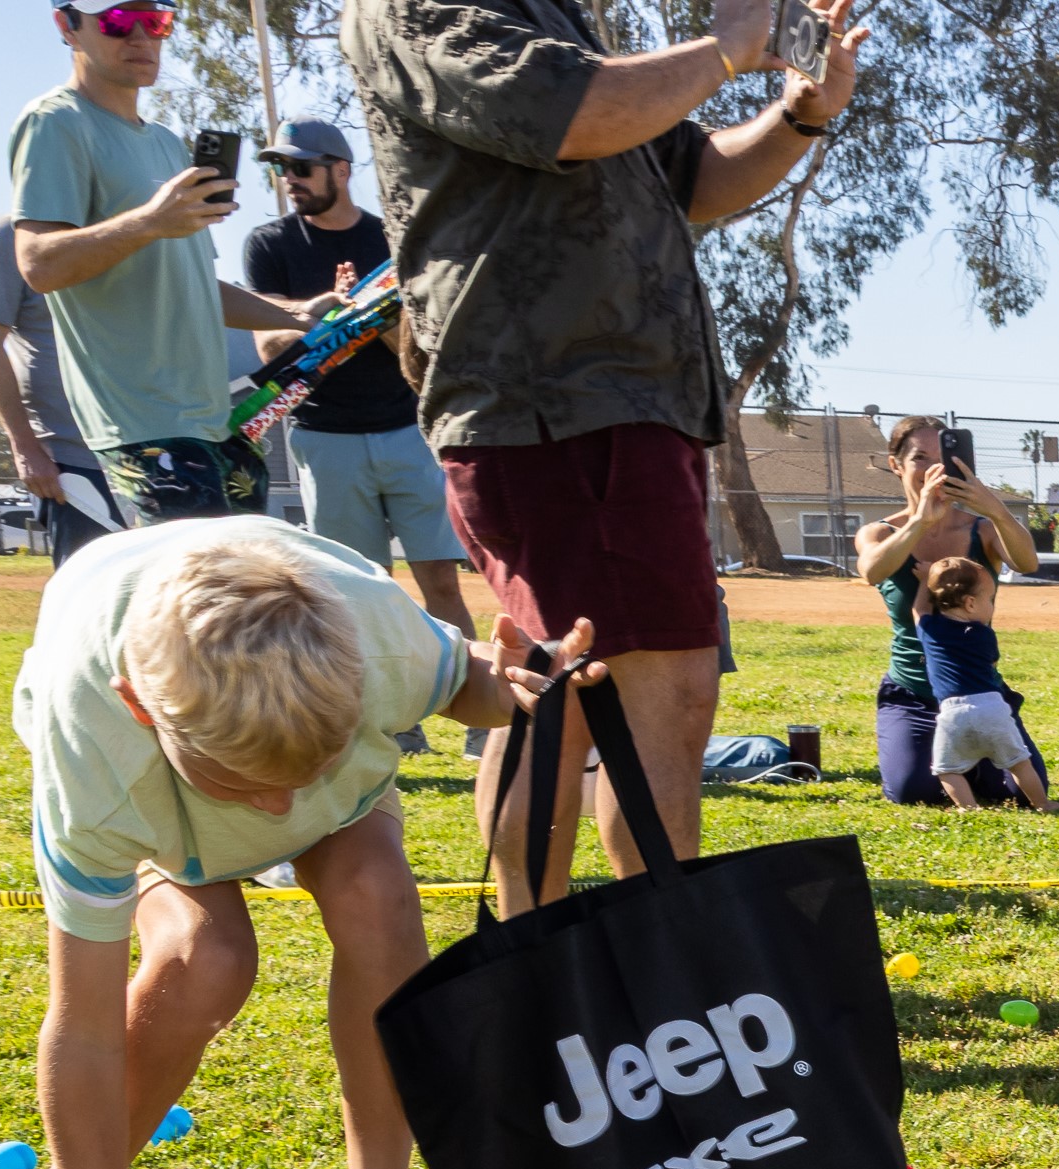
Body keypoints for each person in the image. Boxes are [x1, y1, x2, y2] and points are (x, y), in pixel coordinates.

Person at [0, 518, 590, 1169]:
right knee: (207, 956)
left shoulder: (380, 638)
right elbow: (80, 1027)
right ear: (137, 704)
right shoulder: (94, 748)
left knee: (379, 901)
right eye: (243, 781)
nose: (273, 815)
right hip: (162, 800)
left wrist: (524, 685)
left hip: (332, 788)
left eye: (297, 773)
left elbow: (473, 690)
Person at [343, 0, 865, 907]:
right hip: (552, 402)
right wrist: (725, 49)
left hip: (623, 404)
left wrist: (800, 113)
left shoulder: (556, 17)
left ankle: (608, 963)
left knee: (618, 691)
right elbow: (578, 114)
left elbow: (693, 178)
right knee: (588, 692)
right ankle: (570, 962)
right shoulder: (421, 5)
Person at [9, 4, 327, 526]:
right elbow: (38, 264)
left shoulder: (165, 144)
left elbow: (199, 286)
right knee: (199, 603)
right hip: (144, 429)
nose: (140, 37)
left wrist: (295, 315)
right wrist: (149, 222)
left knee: (243, 600)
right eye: (115, 21)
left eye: (154, 22)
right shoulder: (53, 123)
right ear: (67, 27)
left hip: (217, 423)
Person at [239, 116, 481, 757]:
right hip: (324, 439)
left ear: (341, 170)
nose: (290, 181)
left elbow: (420, 341)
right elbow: (269, 343)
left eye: (302, 167)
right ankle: (396, 729)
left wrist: (369, 321)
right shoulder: (269, 244)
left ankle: (480, 721)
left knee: (442, 584)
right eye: (281, 169)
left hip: (407, 430)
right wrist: (327, 313)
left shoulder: (390, 237)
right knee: (359, 590)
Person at [854, 415, 1047, 807]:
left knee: (1019, 794)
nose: (934, 471)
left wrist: (996, 509)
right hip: (913, 695)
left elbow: (1027, 563)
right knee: (914, 793)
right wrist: (921, 522)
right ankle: (956, 763)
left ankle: (970, 763)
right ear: (896, 465)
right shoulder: (880, 533)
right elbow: (872, 571)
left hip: (980, 695)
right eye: (921, 458)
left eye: (945, 458)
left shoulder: (984, 530)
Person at [0, 215, 121, 565]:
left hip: (156, 448)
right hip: (71, 461)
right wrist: (25, 447)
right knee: (92, 595)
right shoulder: (8, 234)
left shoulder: (144, 220)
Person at [912, 557, 1051, 812]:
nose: (990, 606)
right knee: (1019, 763)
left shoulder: (930, 629)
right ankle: (1042, 803)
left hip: (952, 713)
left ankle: (969, 808)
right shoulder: (984, 634)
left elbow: (918, 611)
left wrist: (923, 583)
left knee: (947, 771)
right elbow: (992, 662)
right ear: (970, 603)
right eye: (989, 599)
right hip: (992, 707)